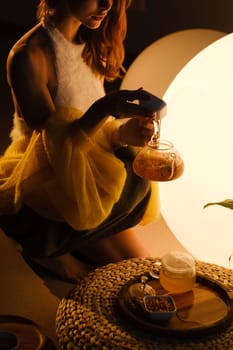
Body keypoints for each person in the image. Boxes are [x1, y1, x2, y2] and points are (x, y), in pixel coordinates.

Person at [0, 0, 160, 282]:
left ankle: (75, 241)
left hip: (85, 177)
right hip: (47, 183)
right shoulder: (29, 56)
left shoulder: (88, 39)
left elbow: (94, 131)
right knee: (136, 274)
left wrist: (124, 133)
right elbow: (50, 153)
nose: (107, 4)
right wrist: (104, 109)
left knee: (145, 268)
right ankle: (44, 248)